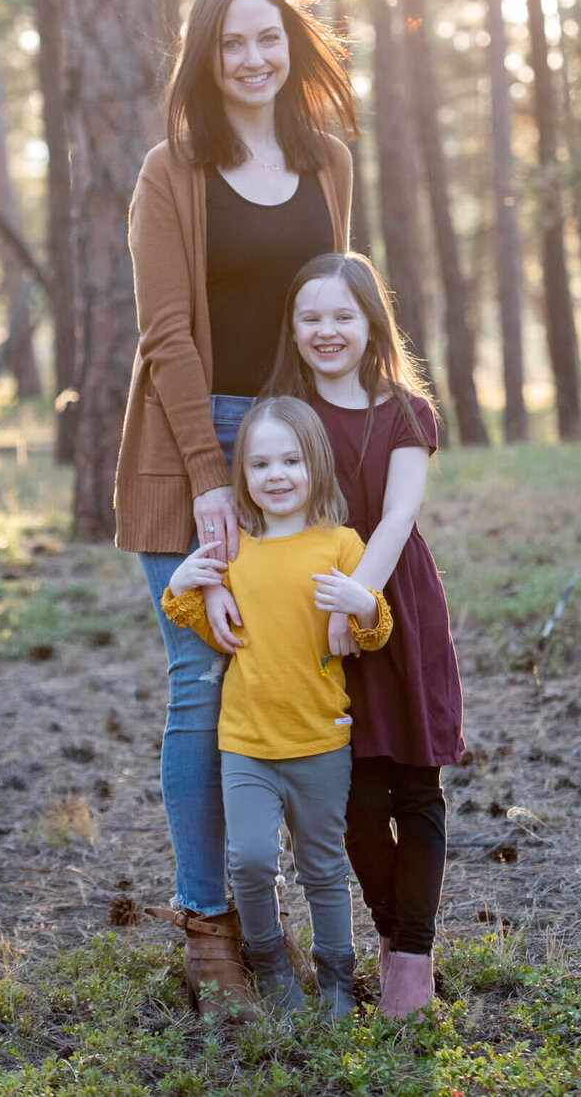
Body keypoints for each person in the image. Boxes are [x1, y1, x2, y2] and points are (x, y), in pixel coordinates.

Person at [114, 0, 357, 1014]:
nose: (253, 60)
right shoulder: (172, 174)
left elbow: (335, 309)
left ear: (291, 46)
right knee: (203, 683)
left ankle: (292, 928)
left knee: (291, 677)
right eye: (231, 47)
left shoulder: (329, 162)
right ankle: (210, 935)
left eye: (268, 40)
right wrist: (210, 480)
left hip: (293, 449)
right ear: (206, 62)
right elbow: (166, 334)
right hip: (192, 443)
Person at [266, 251, 464, 1020]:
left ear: (370, 322)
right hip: (314, 610)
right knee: (349, 794)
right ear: (293, 326)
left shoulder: (404, 409)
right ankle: (391, 929)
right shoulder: (284, 408)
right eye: (310, 316)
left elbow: (397, 514)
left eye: (342, 315)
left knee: (415, 786)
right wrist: (325, 610)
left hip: (396, 604)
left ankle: (412, 956)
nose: (326, 330)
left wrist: (361, 598)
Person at [161, 396, 392, 1017]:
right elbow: (218, 633)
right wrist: (183, 589)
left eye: (291, 460)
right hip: (246, 742)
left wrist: (362, 602)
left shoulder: (341, 545)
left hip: (321, 740)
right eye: (260, 464)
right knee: (251, 859)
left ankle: (338, 978)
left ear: (315, 465)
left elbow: (375, 632)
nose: (277, 475)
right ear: (244, 478)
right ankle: (271, 967)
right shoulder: (237, 551)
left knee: (321, 865)